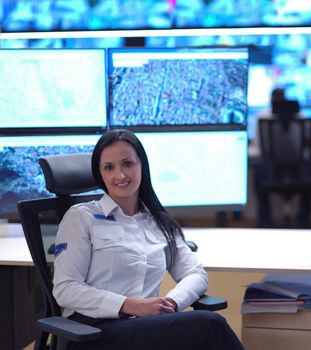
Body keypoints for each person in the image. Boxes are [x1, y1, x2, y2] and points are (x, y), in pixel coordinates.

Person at [53, 129, 244, 350]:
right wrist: (130, 306)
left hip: (144, 329)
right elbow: (65, 289)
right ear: (100, 174)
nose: (120, 175)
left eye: (127, 164)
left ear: (141, 165)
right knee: (209, 325)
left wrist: (171, 303)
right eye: (109, 167)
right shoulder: (81, 217)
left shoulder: (158, 221)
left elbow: (195, 273)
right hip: (93, 331)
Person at [252, 88, 311, 228]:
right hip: (299, 173)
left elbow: (258, 147)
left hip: (272, 173)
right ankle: (303, 222)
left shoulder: (262, 117)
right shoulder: (302, 116)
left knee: (257, 174)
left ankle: (265, 223)